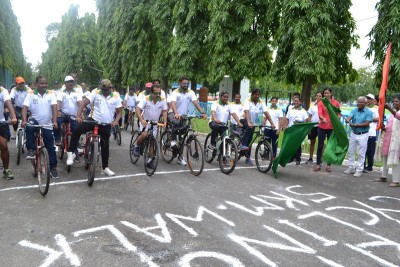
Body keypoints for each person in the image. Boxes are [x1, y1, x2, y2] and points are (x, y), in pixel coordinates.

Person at [66, 79, 122, 177]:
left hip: (106, 124)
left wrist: (116, 121)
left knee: (105, 146)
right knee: (77, 130)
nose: (103, 91)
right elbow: (83, 103)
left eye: (106, 89)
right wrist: (78, 116)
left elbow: (119, 111)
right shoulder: (95, 93)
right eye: (102, 89)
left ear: (110, 88)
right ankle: (71, 153)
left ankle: (105, 168)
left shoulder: (116, 96)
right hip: (93, 120)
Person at [22, 76, 59, 179]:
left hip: (47, 124)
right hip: (35, 121)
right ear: (36, 84)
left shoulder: (51, 93)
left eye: (45, 83)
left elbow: (54, 108)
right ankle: (31, 150)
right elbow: (25, 108)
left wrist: (55, 121)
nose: (44, 85)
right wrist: (24, 120)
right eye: (41, 83)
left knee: (50, 147)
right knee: (29, 126)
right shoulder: (30, 94)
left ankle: (53, 168)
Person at [169, 76, 207, 165]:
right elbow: (173, 103)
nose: (186, 85)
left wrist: (202, 112)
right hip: (173, 113)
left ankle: (180, 157)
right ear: (180, 83)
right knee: (176, 122)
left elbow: (195, 103)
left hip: (184, 116)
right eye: (184, 83)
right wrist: (176, 113)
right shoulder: (175, 92)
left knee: (183, 136)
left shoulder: (191, 92)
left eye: (187, 83)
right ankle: (173, 141)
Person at [133, 84, 167, 169]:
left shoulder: (162, 99)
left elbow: (165, 111)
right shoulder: (146, 98)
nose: (158, 95)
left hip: (155, 123)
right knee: (145, 134)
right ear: (151, 92)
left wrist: (165, 121)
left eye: (159, 93)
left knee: (152, 142)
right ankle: (136, 146)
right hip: (145, 121)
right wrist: (141, 119)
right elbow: (138, 109)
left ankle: (150, 161)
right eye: (156, 93)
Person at [242, 88, 276, 165]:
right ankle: (243, 144)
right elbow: (246, 111)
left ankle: (247, 158)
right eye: (255, 94)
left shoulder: (261, 102)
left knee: (251, 139)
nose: (257, 96)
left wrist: (272, 123)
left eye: (258, 94)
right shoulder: (247, 100)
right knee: (248, 132)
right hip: (245, 119)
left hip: (254, 122)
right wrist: (249, 122)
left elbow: (266, 112)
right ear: (252, 95)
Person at [344, 96, 373, 177]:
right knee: (351, 151)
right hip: (354, 134)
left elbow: (367, 123)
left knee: (361, 153)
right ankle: (351, 167)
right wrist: (348, 119)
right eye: (358, 102)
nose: (359, 103)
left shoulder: (368, 112)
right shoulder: (354, 110)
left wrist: (356, 125)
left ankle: (359, 169)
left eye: (361, 102)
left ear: (365, 103)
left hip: (363, 134)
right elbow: (350, 116)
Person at [374, 95, 400, 187]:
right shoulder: (393, 114)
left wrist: (389, 108)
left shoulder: (395, 113)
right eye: (394, 101)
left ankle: (396, 180)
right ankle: (383, 176)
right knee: (385, 158)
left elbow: (398, 117)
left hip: (397, 141)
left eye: (397, 101)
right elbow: (390, 127)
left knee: (395, 160)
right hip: (389, 139)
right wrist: (383, 127)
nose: (394, 103)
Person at [54, 76, 82, 159]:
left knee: (77, 130)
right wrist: (58, 111)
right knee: (56, 123)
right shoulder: (61, 92)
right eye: (69, 82)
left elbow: (79, 103)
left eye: (72, 82)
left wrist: (81, 114)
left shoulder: (77, 93)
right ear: (65, 83)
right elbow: (58, 102)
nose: (70, 83)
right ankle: (58, 139)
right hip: (63, 114)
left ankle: (75, 150)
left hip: (74, 116)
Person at [314, 88, 340, 172]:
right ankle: (318, 164)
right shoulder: (321, 103)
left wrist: (336, 119)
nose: (326, 95)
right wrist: (323, 118)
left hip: (332, 128)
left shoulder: (335, 103)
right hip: (322, 127)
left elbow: (338, 113)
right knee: (320, 146)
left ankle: (329, 165)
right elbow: (320, 113)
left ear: (331, 93)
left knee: (330, 146)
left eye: (327, 93)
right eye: (324, 93)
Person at [284, 96, 309, 165]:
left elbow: (306, 120)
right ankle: (291, 158)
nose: (296, 102)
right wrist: (285, 127)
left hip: (299, 130)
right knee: (291, 144)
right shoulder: (290, 109)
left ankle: (298, 159)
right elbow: (287, 119)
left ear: (300, 102)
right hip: (291, 129)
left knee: (298, 145)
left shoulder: (303, 111)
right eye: (295, 101)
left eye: (297, 101)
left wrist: (304, 127)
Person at [0, 85, 17, 179]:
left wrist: (13, 116)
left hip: (1, 121)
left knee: (4, 146)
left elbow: (8, 102)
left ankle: (6, 170)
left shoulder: (2, 91)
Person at [364, 93, 379, 173]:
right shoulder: (364, 108)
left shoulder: (376, 108)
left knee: (370, 151)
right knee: (363, 150)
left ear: (373, 101)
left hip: (371, 132)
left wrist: (369, 119)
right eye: (367, 98)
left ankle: (369, 167)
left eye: (369, 99)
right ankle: (362, 166)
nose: (368, 100)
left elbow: (378, 119)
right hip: (363, 132)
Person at [307, 92, 323, 163]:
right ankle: (310, 157)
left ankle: (320, 159)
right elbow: (309, 116)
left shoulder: (324, 106)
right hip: (313, 126)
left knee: (321, 143)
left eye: (320, 96)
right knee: (312, 142)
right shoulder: (312, 106)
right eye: (317, 96)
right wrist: (309, 127)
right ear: (315, 97)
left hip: (321, 126)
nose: (318, 97)